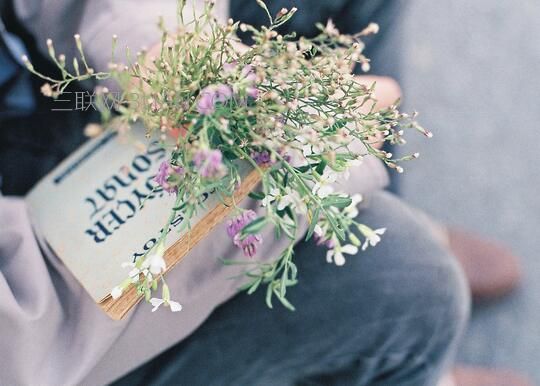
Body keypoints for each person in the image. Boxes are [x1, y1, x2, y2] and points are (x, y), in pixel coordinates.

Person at [0, 0, 531, 385]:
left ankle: (365, 215)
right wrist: (300, 153)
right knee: (406, 286)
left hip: (33, 94)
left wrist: (166, 51)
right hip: (41, 317)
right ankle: (391, 348)